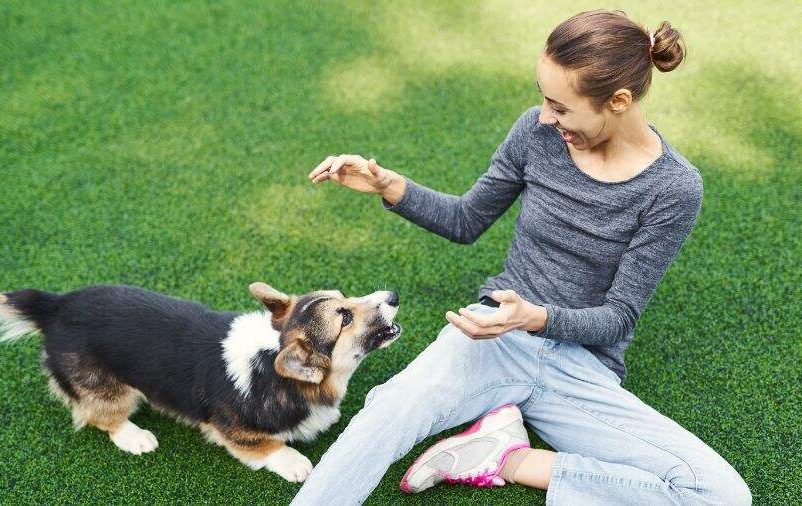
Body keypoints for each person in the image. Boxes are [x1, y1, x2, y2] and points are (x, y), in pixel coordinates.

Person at [292, 9, 751, 505]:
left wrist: (537, 317)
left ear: (617, 101)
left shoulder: (674, 188)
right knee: (388, 413)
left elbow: (618, 318)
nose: (546, 117)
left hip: (581, 369)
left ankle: (509, 457)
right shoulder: (536, 133)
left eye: (561, 106)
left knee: (721, 494)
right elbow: (466, 220)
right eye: (543, 97)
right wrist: (390, 186)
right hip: (492, 339)